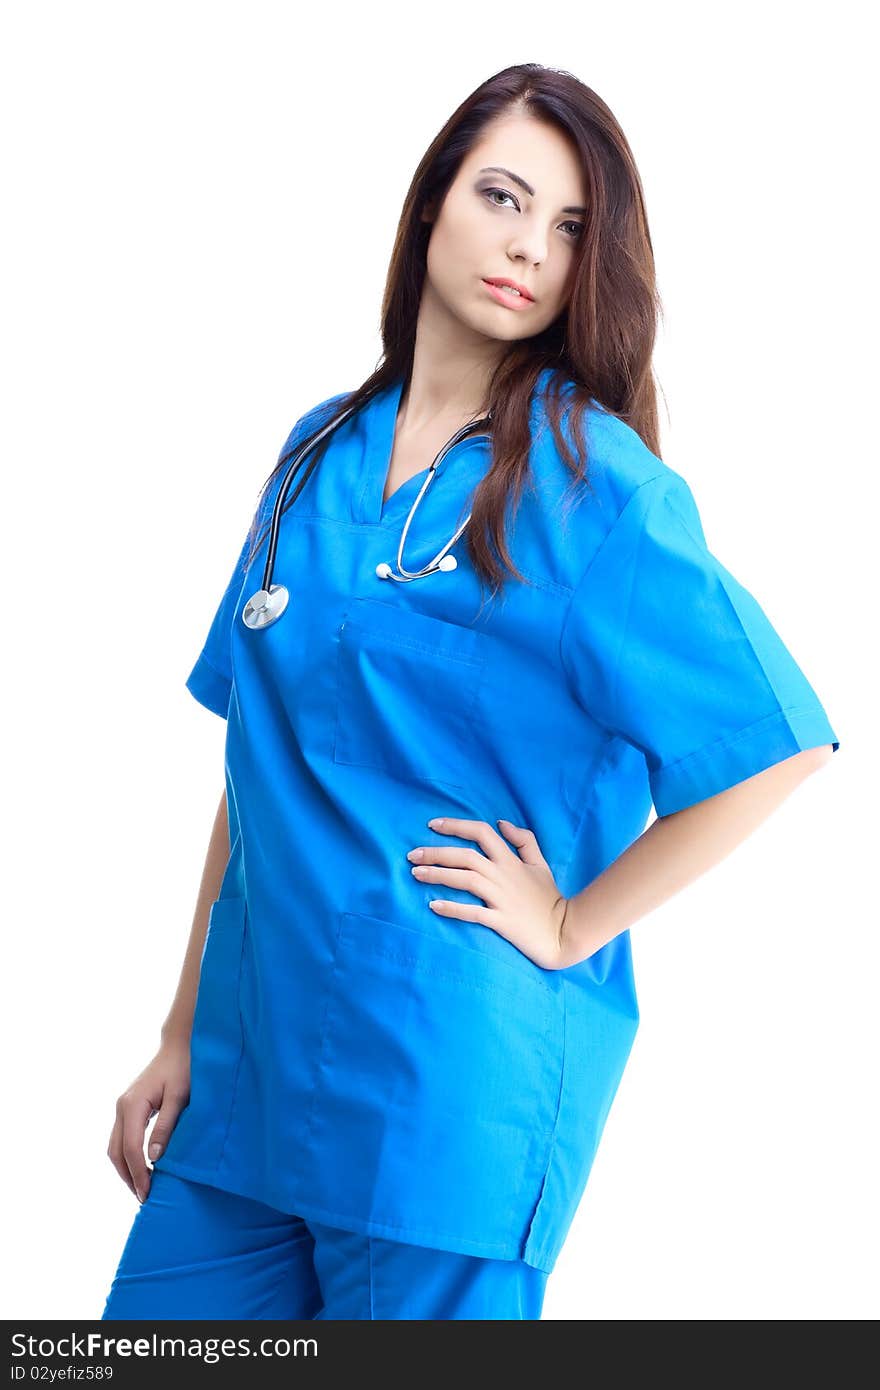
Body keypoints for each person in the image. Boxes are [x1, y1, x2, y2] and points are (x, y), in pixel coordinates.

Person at [101, 63, 840, 1322]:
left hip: (441, 1098)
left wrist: (568, 924)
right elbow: (257, 768)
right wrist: (179, 1029)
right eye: (501, 197)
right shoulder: (315, 452)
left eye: (567, 231)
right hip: (247, 1078)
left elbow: (778, 742)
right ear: (432, 201)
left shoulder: (591, 484)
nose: (526, 249)